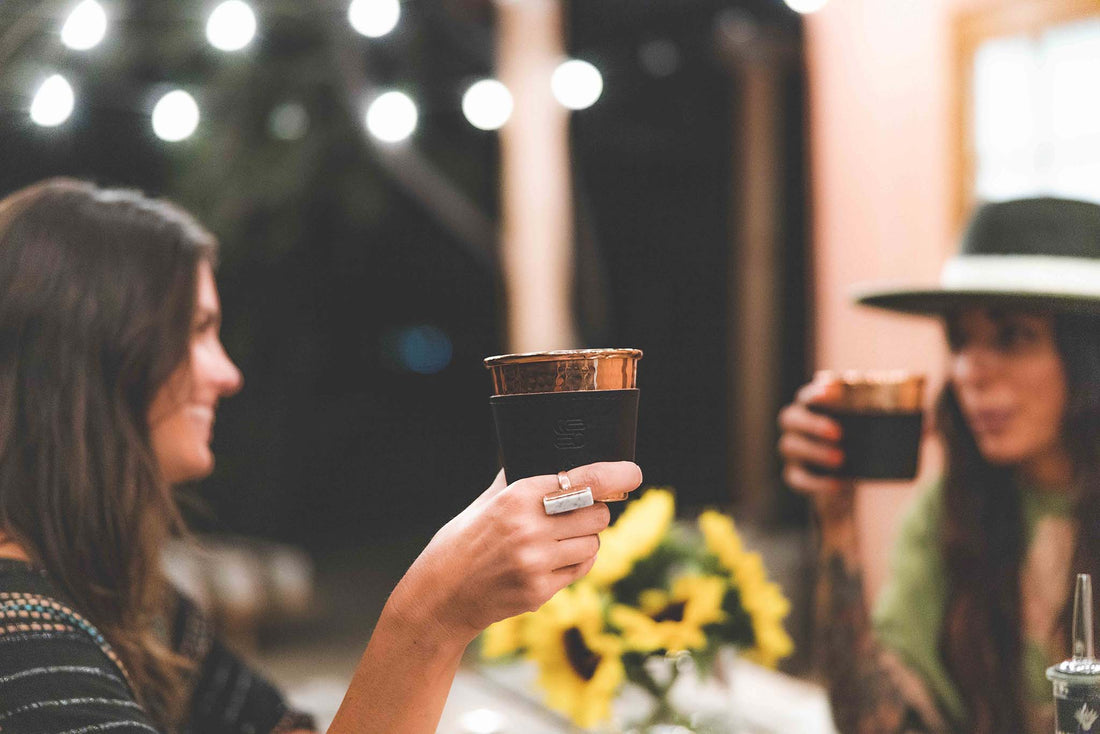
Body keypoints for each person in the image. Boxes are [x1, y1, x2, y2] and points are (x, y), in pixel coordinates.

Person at [0, 178, 643, 734]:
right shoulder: (23, 648)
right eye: (196, 331)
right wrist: (431, 617)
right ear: (92, 361)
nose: (228, 374)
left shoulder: (128, 595)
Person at [778, 196, 1100, 734]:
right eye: (960, 338)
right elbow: (875, 724)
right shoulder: (955, 510)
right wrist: (837, 521)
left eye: (1013, 336)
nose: (971, 369)